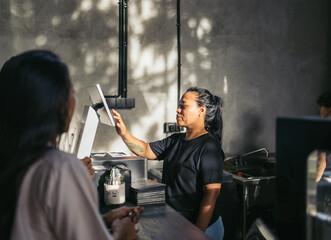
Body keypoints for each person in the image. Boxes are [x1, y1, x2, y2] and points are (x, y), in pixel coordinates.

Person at [0, 50, 143, 240]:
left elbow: (34, 225)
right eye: (71, 92)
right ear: (55, 104)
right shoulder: (59, 168)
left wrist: (101, 220)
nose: (73, 101)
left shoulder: (12, 159)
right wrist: (124, 235)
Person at [112, 87, 225, 239]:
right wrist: (123, 133)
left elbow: (211, 194)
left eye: (183, 106)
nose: (178, 110)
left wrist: (197, 233)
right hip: (178, 224)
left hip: (202, 228)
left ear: (201, 110)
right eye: (179, 106)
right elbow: (146, 149)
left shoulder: (209, 147)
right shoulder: (176, 140)